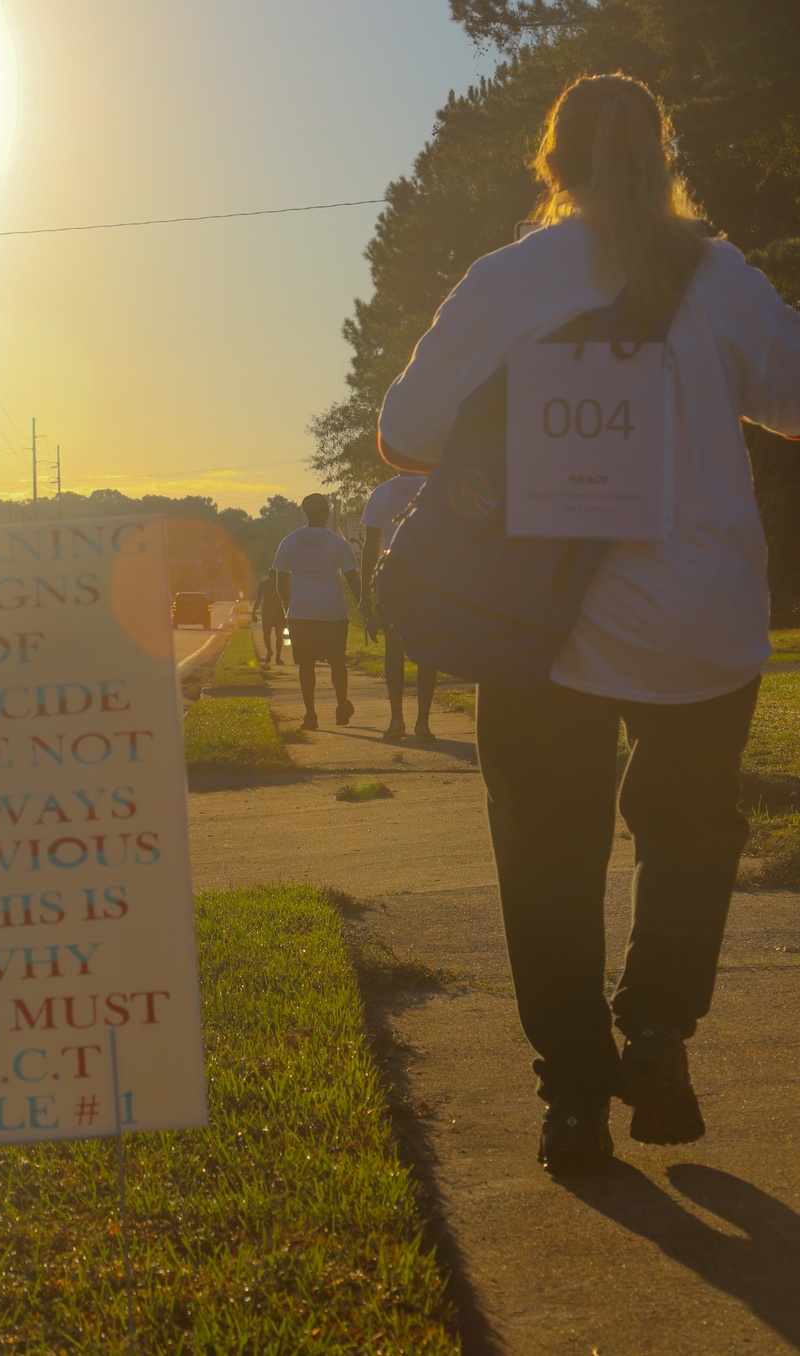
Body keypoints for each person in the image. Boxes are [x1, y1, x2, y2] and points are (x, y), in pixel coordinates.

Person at [378, 73, 800, 1174]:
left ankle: (571, 1098)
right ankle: (656, 1027)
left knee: (546, 856)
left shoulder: (506, 281)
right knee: (693, 833)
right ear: (666, 160)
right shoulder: (720, 277)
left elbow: (404, 433)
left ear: (550, 166)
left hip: (538, 623)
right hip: (703, 619)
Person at [273, 493, 362, 731]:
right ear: (327, 513)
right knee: (337, 662)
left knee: (306, 664)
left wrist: (287, 606)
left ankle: (310, 715)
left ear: (305, 512)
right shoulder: (337, 543)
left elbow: (282, 580)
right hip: (332, 612)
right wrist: (365, 605)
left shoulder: (290, 541)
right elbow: (353, 578)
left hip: (301, 612)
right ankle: (342, 706)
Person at [360, 473, 439, 741]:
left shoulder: (381, 493)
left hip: (392, 578)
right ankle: (423, 724)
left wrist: (365, 593)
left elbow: (371, 548)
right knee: (427, 650)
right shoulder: (437, 486)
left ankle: (396, 721)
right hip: (428, 578)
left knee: (393, 648)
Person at [251, 571, 286, 664]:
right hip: (279, 613)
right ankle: (278, 658)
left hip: (267, 612)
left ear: (269, 575)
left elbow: (258, 600)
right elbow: (287, 600)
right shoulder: (281, 585)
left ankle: (269, 650)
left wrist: (253, 612)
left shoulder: (263, 585)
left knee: (266, 635)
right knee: (279, 636)